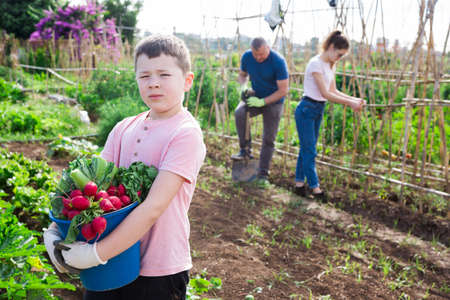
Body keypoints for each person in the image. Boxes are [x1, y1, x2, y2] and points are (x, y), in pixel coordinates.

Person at [43, 34, 206, 300]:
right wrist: (53, 231)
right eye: (144, 76)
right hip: (111, 264)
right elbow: (91, 190)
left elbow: (153, 207)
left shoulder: (185, 133)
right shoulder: (123, 128)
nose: (153, 83)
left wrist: (96, 253)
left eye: (164, 75)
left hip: (158, 270)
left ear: (187, 81)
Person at [294, 30, 365, 199]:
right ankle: (315, 188)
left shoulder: (330, 65)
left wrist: (354, 99)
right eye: (339, 54)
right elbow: (326, 93)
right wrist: (350, 103)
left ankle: (298, 184)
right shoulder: (315, 64)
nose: (339, 58)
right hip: (306, 110)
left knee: (306, 149)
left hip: (318, 109)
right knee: (310, 151)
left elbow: (334, 90)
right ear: (332, 47)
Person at [231, 37, 289, 184]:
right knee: (240, 112)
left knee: (269, 138)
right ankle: (245, 151)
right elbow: (242, 75)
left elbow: (283, 90)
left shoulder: (278, 62)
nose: (258, 58)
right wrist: (243, 87)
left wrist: (263, 102)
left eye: (261, 54)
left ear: (268, 48)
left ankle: (263, 173)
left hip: (274, 101)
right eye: (255, 54)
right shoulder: (247, 57)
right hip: (256, 94)